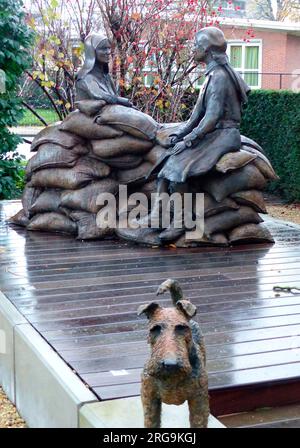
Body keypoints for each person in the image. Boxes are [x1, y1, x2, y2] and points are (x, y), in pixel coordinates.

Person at [138, 26, 251, 242]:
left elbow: (213, 117)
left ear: (207, 51)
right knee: (165, 166)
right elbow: (196, 117)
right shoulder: (210, 75)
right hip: (212, 134)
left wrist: (190, 141)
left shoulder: (219, 76)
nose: (193, 50)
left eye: (196, 46)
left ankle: (180, 223)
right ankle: (157, 216)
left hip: (224, 135)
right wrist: (180, 134)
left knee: (179, 169)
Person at [76, 33, 133, 107]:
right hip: (93, 116)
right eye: (103, 48)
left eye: (109, 48)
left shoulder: (106, 77)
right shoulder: (85, 77)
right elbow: (99, 95)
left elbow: (114, 96)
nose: (108, 52)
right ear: (92, 51)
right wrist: (124, 101)